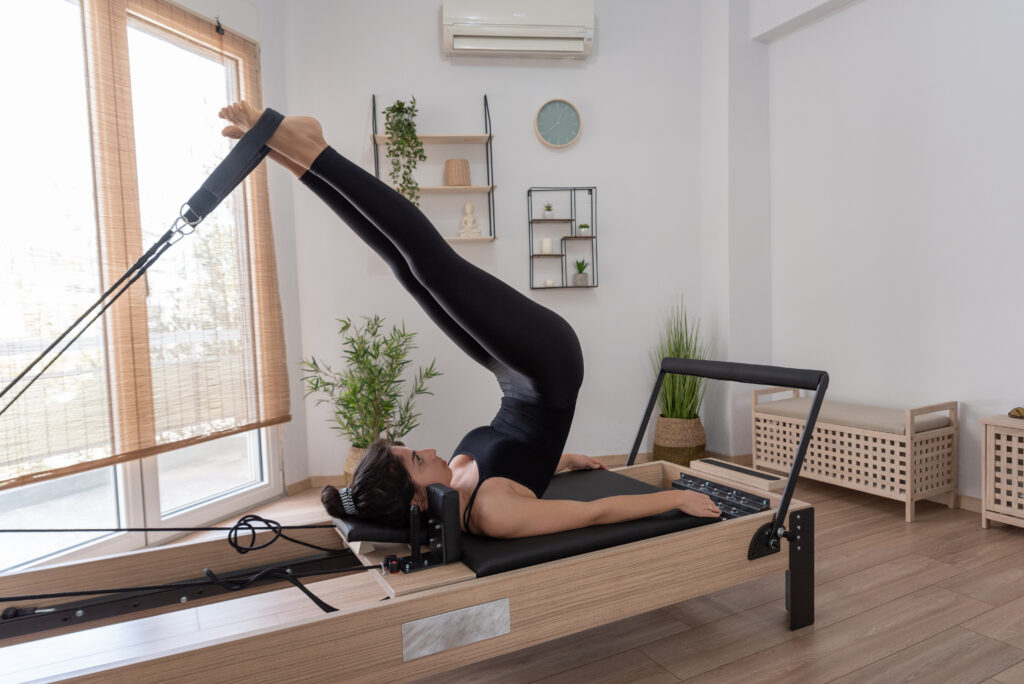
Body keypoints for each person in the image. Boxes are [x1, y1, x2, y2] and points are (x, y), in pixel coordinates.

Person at [218, 102, 721, 538]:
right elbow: (596, 513)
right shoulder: (493, 515)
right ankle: (312, 149)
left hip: (511, 375)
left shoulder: (453, 487)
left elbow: (524, 458)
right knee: (435, 264)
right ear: (419, 500)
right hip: (549, 366)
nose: (430, 449)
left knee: (409, 273)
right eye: (417, 459)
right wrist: (671, 499)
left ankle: (296, 160)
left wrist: (560, 461)